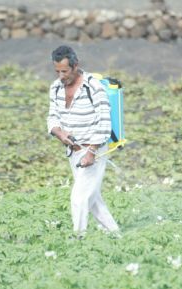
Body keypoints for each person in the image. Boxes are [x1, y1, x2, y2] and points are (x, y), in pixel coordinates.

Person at [47, 45, 119, 236]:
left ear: (75, 65)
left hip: (92, 151)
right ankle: (115, 235)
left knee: (79, 198)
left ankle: (78, 240)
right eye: (57, 71)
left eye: (65, 71)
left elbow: (105, 121)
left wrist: (91, 152)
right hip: (73, 151)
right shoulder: (55, 88)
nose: (61, 75)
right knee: (93, 200)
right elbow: (52, 117)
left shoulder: (93, 86)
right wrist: (59, 133)